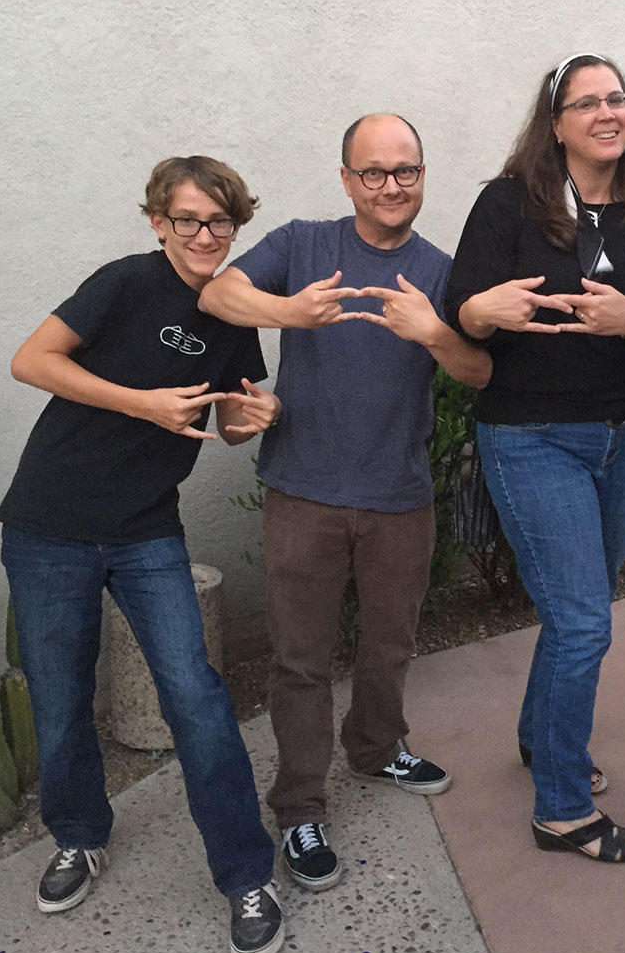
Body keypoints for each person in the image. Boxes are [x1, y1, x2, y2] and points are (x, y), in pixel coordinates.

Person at [0, 157, 285, 953]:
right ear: (158, 220)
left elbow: (228, 422)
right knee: (58, 700)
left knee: (194, 694)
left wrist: (254, 414)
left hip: (146, 528)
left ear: (236, 227)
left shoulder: (234, 310)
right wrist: (141, 402)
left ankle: (245, 875)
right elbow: (32, 360)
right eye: (188, 219)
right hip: (48, 523)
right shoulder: (123, 282)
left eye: (221, 223)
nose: (204, 236)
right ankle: (80, 835)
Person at [197, 113, 490, 892]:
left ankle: (377, 745)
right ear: (346, 179)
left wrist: (433, 332)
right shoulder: (302, 245)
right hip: (304, 493)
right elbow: (220, 292)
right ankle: (299, 806)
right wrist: (289, 311)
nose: (391, 186)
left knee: (391, 642)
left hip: (400, 495)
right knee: (299, 660)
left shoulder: (440, 269)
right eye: (374, 172)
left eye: (406, 171)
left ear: (423, 175)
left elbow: (479, 373)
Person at [443, 53, 625, 863]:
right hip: (532, 435)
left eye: (619, 98)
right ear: (556, 122)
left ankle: (541, 740)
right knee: (583, 619)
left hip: (621, 432)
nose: (608, 112)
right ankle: (562, 809)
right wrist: (483, 306)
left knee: (581, 605)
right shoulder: (508, 202)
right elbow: (461, 314)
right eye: (588, 102)